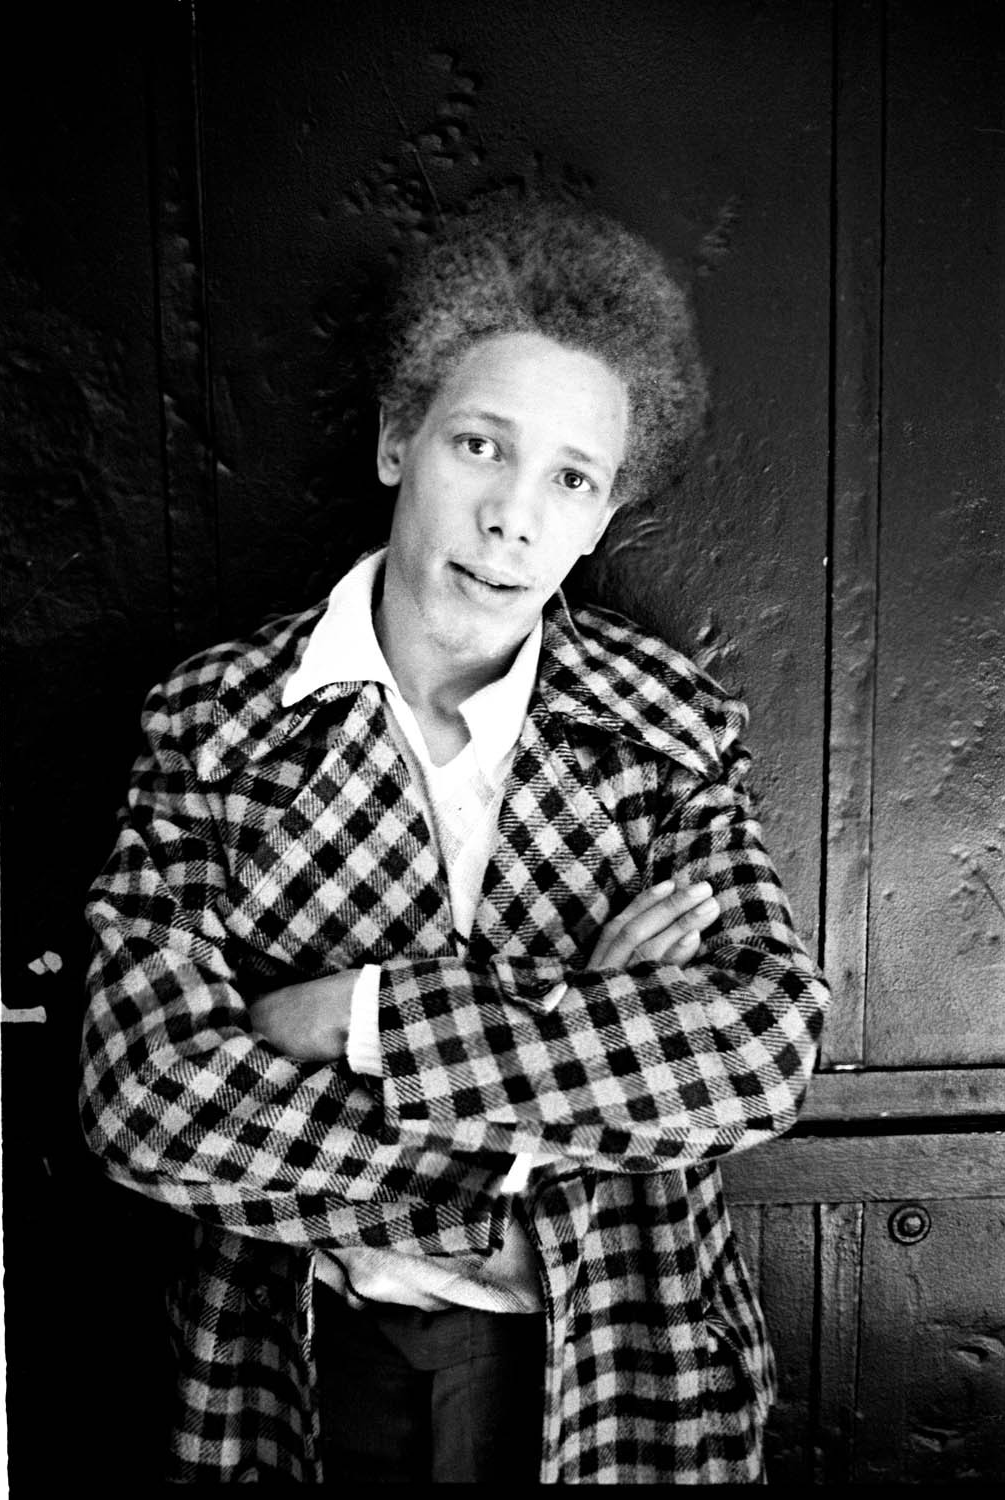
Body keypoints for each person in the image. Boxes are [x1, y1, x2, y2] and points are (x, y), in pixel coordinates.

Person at [79, 196, 831, 1485]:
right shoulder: (214, 726)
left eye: (572, 479)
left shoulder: (668, 731)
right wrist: (578, 1045)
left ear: (603, 513)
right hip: (303, 1365)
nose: (513, 519)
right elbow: (144, 1096)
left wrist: (363, 1018)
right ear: (397, 440)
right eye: (481, 445)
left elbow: (758, 1049)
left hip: (615, 1358)